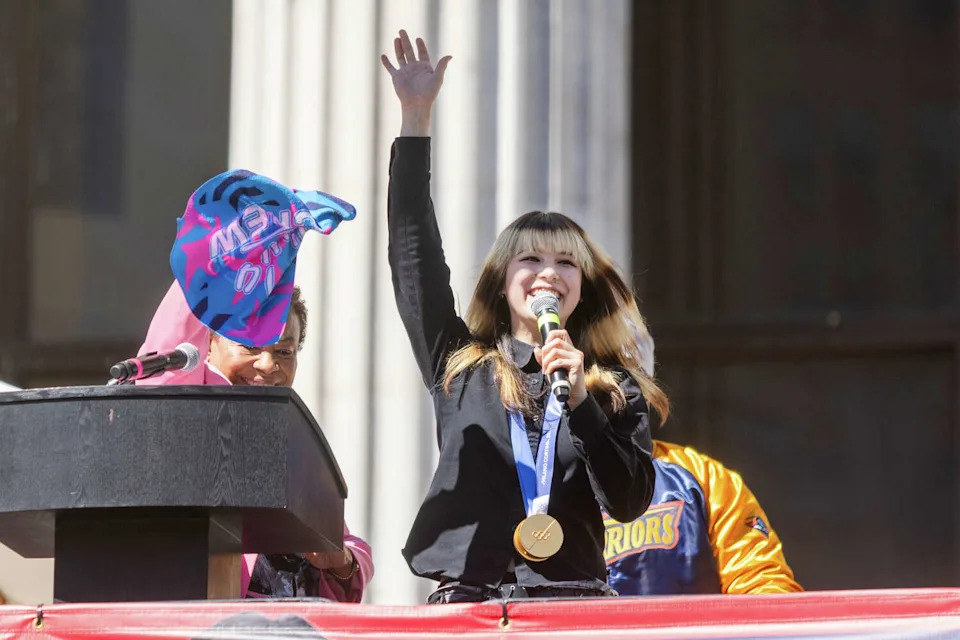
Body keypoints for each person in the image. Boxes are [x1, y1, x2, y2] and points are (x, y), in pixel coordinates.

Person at [381, 30, 668, 603]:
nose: (547, 274)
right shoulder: (461, 368)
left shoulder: (615, 388)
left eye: (566, 262)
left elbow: (631, 500)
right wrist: (416, 118)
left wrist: (582, 403)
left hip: (572, 606)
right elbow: (413, 253)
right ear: (500, 280)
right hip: (469, 604)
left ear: (582, 288)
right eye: (530, 258)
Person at [136, 170, 372, 602]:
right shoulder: (186, 396)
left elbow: (347, 553)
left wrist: (338, 560)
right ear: (207, 341)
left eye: (285, 351)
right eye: (250, 347)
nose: (268, 365)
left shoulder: (294, 436)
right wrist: (244, 246)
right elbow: (168, 344)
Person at [603, 324, 801, 595]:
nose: (611, 398)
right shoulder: (538, 481)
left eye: (623, 382)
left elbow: (763, 587)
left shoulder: (703, 478)